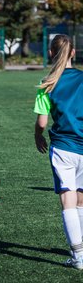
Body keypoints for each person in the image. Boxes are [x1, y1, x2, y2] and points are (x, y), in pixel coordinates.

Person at [34, 34, 83, 269]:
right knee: (82, 201)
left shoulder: (48, 83)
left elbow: (42, 123)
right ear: (73, 53)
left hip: (63, 148)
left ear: (51, 54)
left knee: (68, 201)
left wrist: (37, 136)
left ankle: (78, 256)